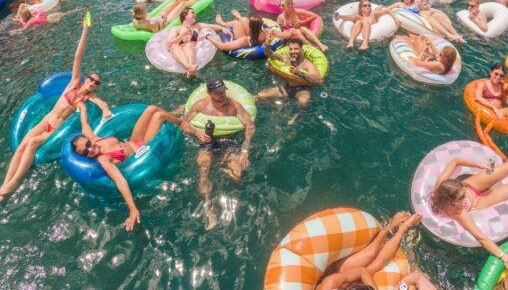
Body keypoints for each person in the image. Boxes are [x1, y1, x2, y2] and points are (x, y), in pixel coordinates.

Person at [0, 21, 112, 202]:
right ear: (86, 78)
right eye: (91, 79)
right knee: (20, 148)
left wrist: (105, 110)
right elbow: (77, 57)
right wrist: (85, 31)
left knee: (33, 142)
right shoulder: (73, 83)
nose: (93, 83)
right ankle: (5, 183)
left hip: (55, 130)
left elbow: (103, 104)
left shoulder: (89, 98)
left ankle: (15, 182)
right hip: (45, 121)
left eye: (97, 83)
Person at [71, 104, 181, 230]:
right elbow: (119, 180)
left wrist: (82, 108)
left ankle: (175, 115)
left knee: (151, 109)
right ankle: (183, 124)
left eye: (88, 144)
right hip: (143, 148)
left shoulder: (94, 139)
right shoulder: (103, 159)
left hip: (134, 140)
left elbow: (85, 125)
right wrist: (132, 208)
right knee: (159, 116)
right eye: (85, 152)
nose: (90, 149)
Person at [430, 159, 508, 267]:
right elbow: (481, 238)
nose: (464, 198)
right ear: (452, 202)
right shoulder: (459, 212)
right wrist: (503, 256)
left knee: (507, 166)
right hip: (476, 203)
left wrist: (480, 166)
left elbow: (456, 160)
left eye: (463, 195)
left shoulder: (442, 185)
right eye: (461, 198)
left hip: (470, 185)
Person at [178, 77, 255, 231]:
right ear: (209, 93)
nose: (222, 95)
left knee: (237, 176)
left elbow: (250, 126)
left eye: (223, 91)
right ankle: (209, 209)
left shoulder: (234, 106)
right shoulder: (201, 105)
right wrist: (196, 132)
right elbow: (183, 123)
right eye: (218, 93)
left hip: (227, 140)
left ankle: (224, 171)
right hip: (206, 139)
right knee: (204, 170)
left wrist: (245, 150)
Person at [256, 37, 324, 122]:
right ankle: (275, 105)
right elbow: (270, 54)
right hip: (287, 88)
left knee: (303, 102)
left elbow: (319, 81)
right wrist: (267, 44)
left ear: (301, 48)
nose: (293, 51)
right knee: (259, 96)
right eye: (291, 49)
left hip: (302, 90)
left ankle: (299, 115)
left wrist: (300, 73)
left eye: (296, 49)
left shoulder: (307, 64)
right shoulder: (286, 59)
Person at [387, 0, 465, 43]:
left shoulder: (416, 3)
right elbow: (387, 9)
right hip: (417, 22)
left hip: (421, 18)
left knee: (438, 16)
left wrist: (429, 5)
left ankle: (456, 35)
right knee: (430, 18)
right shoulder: (399, 4)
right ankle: (449, 36)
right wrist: (393, 17)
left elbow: (424, 9)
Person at [207, 11, 284, 53]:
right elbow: (278, 33)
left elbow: (222, 47)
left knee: (236, 23)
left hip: (247, 42)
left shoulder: (245, 40)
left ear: (250, 27)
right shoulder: (265, 32)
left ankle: (222, 23)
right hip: (254, 38)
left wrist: (208, 36)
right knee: (243, 19)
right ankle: (238, 16)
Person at [131, 0, 198, 33]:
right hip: (167, 20)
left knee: (176, 1)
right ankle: (197, 1)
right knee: (182, 3)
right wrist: (164, 19)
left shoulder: (135, 20)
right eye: (145, 10)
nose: (146, 11)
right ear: (143, 14)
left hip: (159, 17)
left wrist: (161, 17)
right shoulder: (151, 24)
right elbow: (159, 31)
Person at [166, 8, 208, 76]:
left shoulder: (197, 26)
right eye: (192, 13)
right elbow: (169, 43)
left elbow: (214, 27)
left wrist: (222, 27)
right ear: (185, 15)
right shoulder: (176, 29)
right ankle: (189, 66)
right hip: (178, 50)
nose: (195, 14)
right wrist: (183, 34)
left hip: (190, 50)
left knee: (189, 44)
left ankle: (191, 69)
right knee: (174, 46)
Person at [391, 34, 457, 75]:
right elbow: (436, 54)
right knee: (416, 37)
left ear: (445, 58)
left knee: (406, 38)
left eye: (441, 54)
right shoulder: (447, 64)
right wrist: (430, 43)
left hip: (421, 57)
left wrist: (422, 51)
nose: (439, 54)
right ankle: (407, 36)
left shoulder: (438, 64)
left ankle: (393, 36)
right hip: (428, 57)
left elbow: (418, 63)